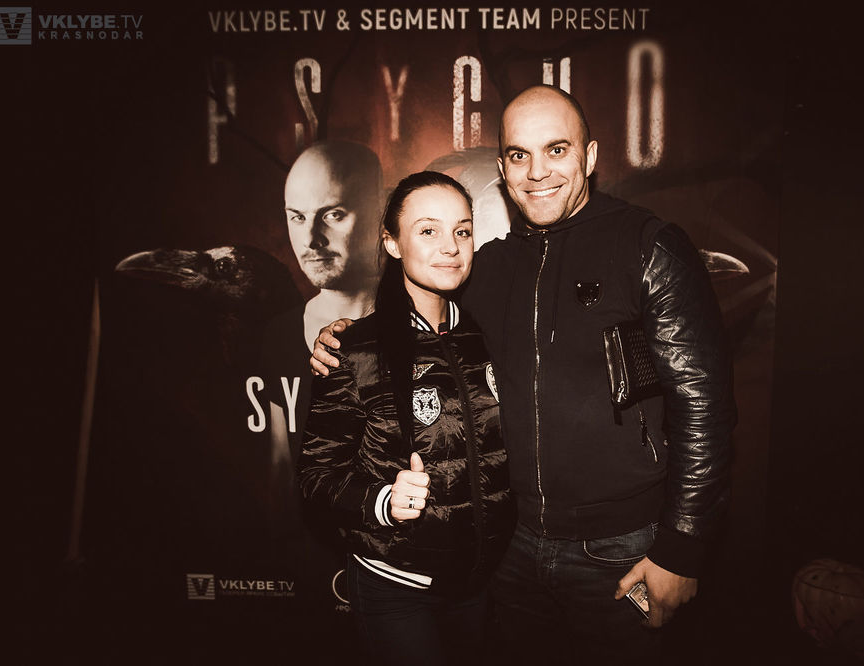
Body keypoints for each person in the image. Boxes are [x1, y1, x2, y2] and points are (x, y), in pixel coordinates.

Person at [311, 86, 736, 663]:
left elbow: (704, 405)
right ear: (503, 167)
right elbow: (418, 313)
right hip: (507, 551)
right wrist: (347, 335)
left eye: (556, 150)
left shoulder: (647, 246)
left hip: (619, 549)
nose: (537, 172)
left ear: (589, 156)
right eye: (518, 155)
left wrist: (682, 550)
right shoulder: (486, 267)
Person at [297, 171, 514, 665]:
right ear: (392, 244)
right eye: (428, 230)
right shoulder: (354, 349)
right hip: (396, 587)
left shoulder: (490, 336)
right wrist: (383, 501)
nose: (450, 247)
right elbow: (315, 476)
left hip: (481, 583)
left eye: (462, 230)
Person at [262, 141, 383, 516]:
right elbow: (280, 476)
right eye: (297, 217)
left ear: (379, 212)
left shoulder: (420, 326)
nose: (311, 239)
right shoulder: (277, 336)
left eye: (333, 214)